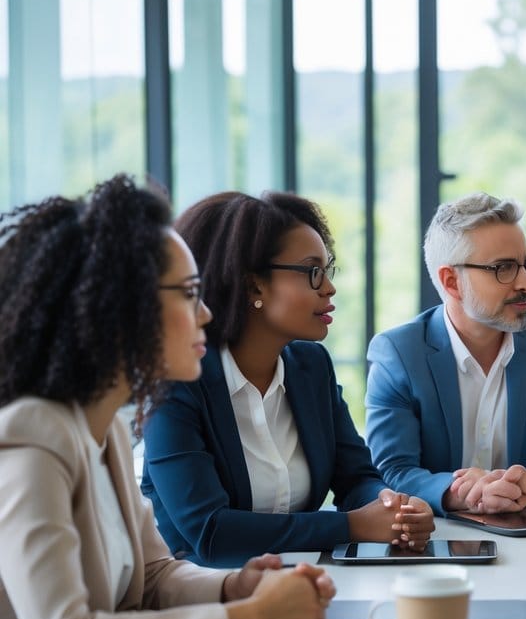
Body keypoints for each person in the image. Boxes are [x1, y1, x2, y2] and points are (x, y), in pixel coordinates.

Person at [0, 175, 335, 619]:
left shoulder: (98, 427)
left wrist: (235, 586)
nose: (206, 314)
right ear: (119, 308)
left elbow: (153, 576)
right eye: (188, 295)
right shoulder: (34, 435)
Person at [142, 191, 434, 566]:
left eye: (328, 271)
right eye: (313, 272)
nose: (328, 288)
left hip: (305, 585)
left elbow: (356, 478)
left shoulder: (310, 366)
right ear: (254, 286)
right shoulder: (177, 383)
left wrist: (394, 508)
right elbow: (210, 533)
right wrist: (351, 526)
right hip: (204, 601)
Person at [365, 192, 526, 514]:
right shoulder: (398, 353)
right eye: (504, 268)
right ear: (451, 282)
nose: (525, 282)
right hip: (433, 539)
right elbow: (390, 471)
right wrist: (463, 493)